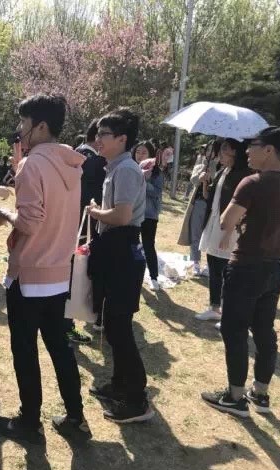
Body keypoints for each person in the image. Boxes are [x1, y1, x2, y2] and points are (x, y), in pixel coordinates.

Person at [0, 94, 90, 444]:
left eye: (24, 123)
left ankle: (30, 421)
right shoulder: (71, 164)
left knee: (25, 350)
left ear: (41, 126)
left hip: (30, 274)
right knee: (60, 347)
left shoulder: (32, 165)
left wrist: (3, 214)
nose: (20, 130)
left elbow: (29, 222)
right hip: (59, 272)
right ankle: (75, 417)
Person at [201, 126, 280, 417]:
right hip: (275, 267)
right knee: (264, 330)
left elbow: (226, 222)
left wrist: (241, 218)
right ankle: (260, 393)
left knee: (234, 329)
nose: (247, 150)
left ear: (269, 150)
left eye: (253, 145)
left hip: (246, 266)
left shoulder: (252, 182)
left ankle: (235, 397)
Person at [85, 108, 153, 423]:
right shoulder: (116, 167)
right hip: (115, 250)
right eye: (98, 134)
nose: (98, 139)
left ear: (122, 139)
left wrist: (95, 212)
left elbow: (122, 216)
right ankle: (120, 384)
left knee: (120, 327)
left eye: (104, 134)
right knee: (113, 325)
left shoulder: (125, 170)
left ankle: (137, 399)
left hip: (122, 251)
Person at [195, 138, 253, 325]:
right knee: (213, 265)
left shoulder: (243, 175)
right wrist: (205, 182)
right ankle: (214, 308)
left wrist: (228, 234)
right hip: (213, 223)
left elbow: (242, 209)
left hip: (229, 228)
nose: (220, 153)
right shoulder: (223, 171)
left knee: (226, 270)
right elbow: (209, 197)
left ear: (235, 151)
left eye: (224, 149)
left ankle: (227, 312)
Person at [71, 118, 106, 339]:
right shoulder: (96, 161)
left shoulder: (76, 153)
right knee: (84, 269)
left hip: (72, 221)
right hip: (88, 223)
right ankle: (89, 314)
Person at [178, 139, 221, 276]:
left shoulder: (221, 167)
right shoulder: (200, 164)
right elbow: (193, 180)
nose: (209, 153)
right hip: (199, 203)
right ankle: (195, 262)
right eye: (208, 150)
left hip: (214, 205)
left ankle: (209, 264)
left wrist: (212, 171)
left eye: (213, 150)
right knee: (195, 233)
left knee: (210, 234)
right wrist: (201, 174)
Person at [134, 141, 163, 292]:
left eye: (144, 152)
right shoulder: (130, 169)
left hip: (149, 215)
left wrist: (144, 180)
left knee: (148, 245)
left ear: (151, 155)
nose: (140, 155)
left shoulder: (156, 172)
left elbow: (156, 193)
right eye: (138, 152)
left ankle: (153, 278)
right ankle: (133, 274)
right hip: (132, 213)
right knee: (133, 245)